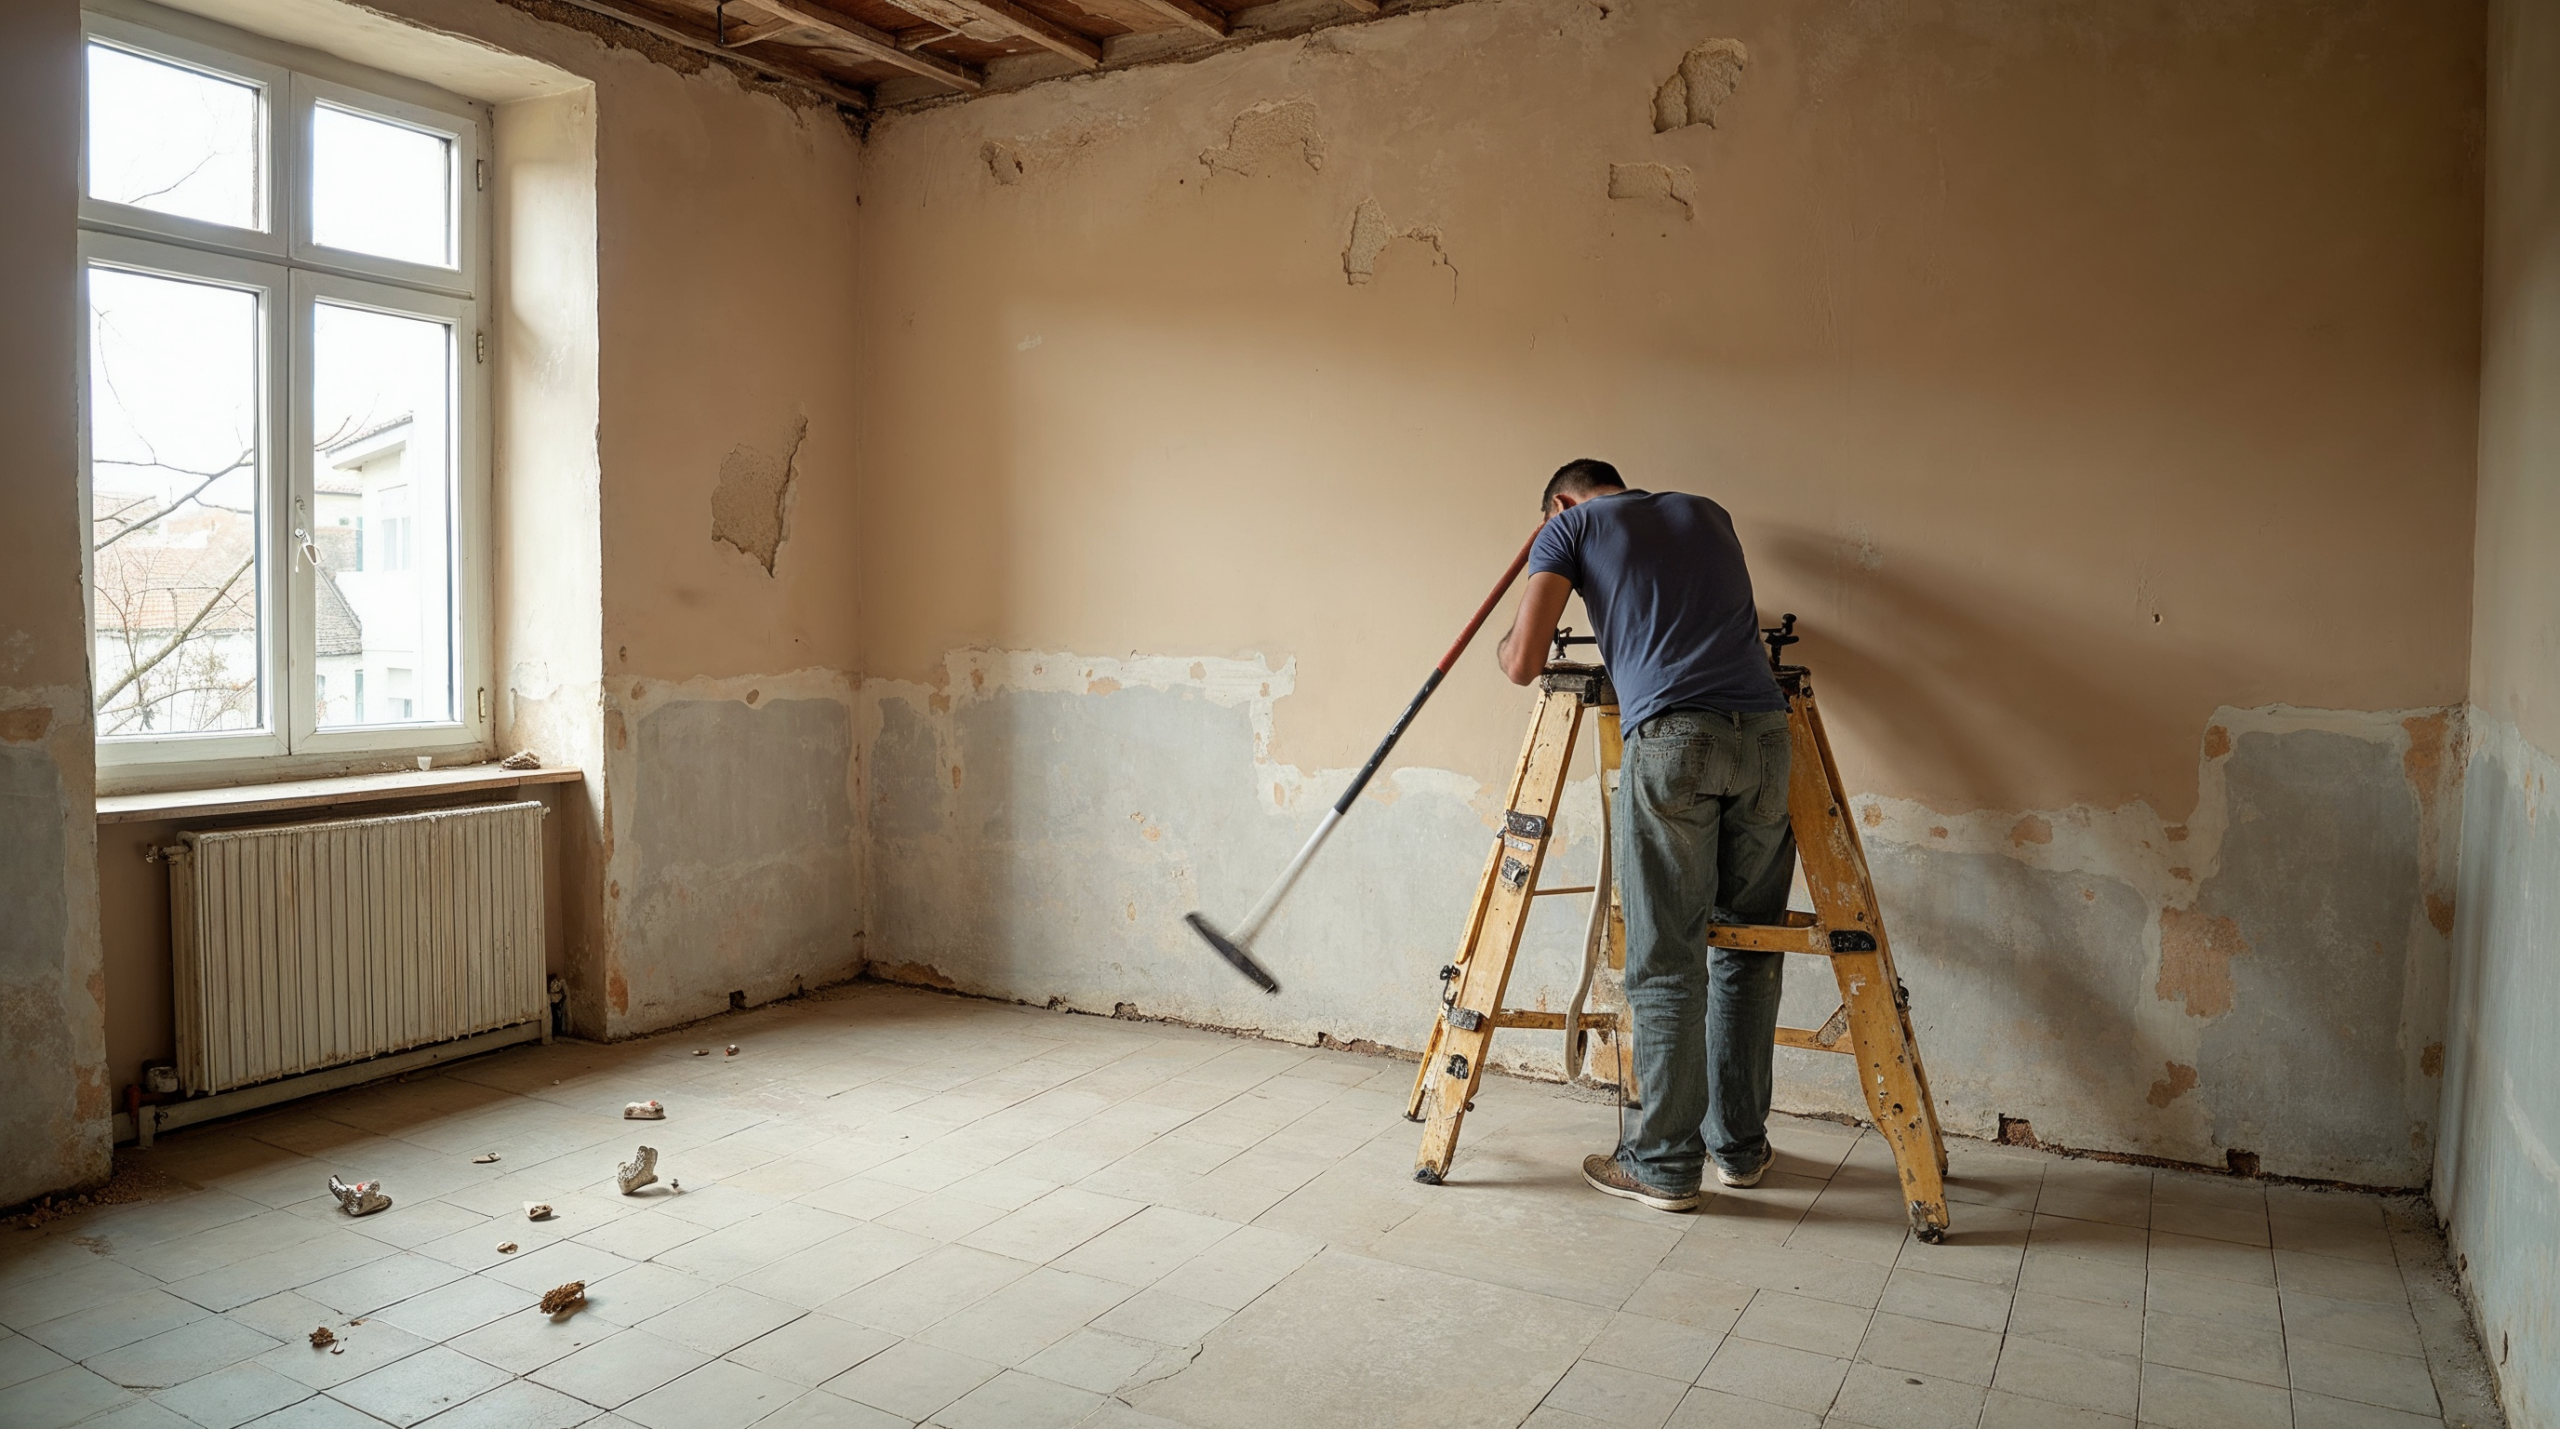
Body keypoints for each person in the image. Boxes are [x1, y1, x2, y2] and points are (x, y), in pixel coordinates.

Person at [1494, 458, 1795, 1212]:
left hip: (1674, 739)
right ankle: (1740, 1149)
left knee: (1666, 960)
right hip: (1765, 737)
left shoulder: (1568, 527)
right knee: (1747, 949)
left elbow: (1523, 662)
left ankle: (1662, 1162)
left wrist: (1510, 631)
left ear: (1561, 502)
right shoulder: (1709, 510)